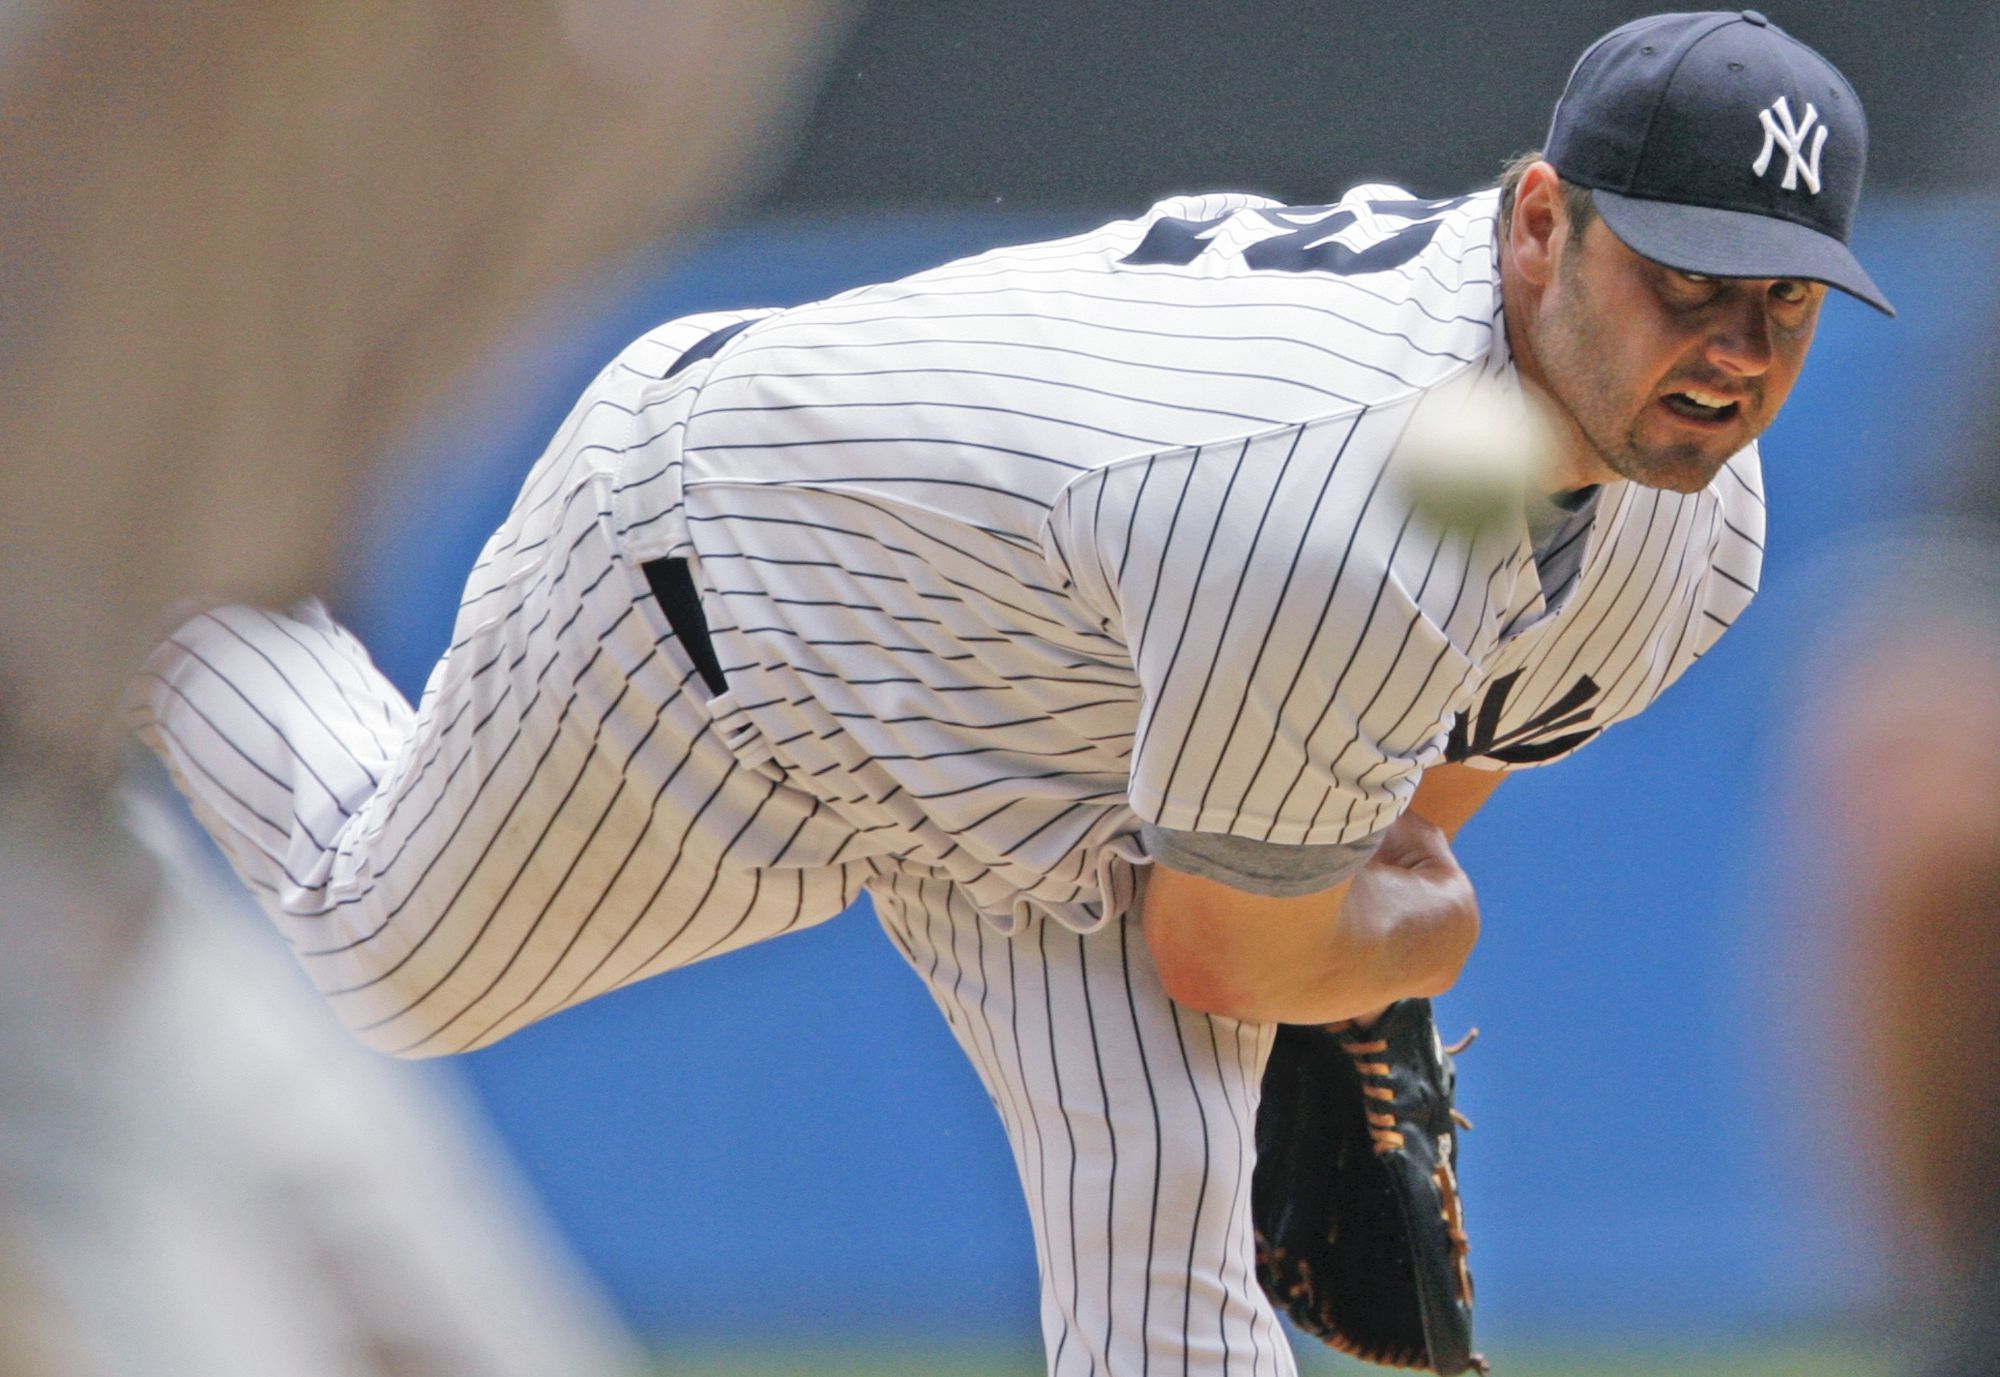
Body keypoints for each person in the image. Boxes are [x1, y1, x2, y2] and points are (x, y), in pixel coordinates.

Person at [130, 12, 1892, 1375]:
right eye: (1681, 283)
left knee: (1168, 1281)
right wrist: (1405, 936)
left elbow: (1409, 783)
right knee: (385, 948)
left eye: (1783, 305)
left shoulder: (1692, 526)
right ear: (1537, 227)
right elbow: (1239, 942)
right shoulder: (1335, 501)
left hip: (1079, 742)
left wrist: (1351, 906)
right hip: (736, 587)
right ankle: (109, 574)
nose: (1732, 353)